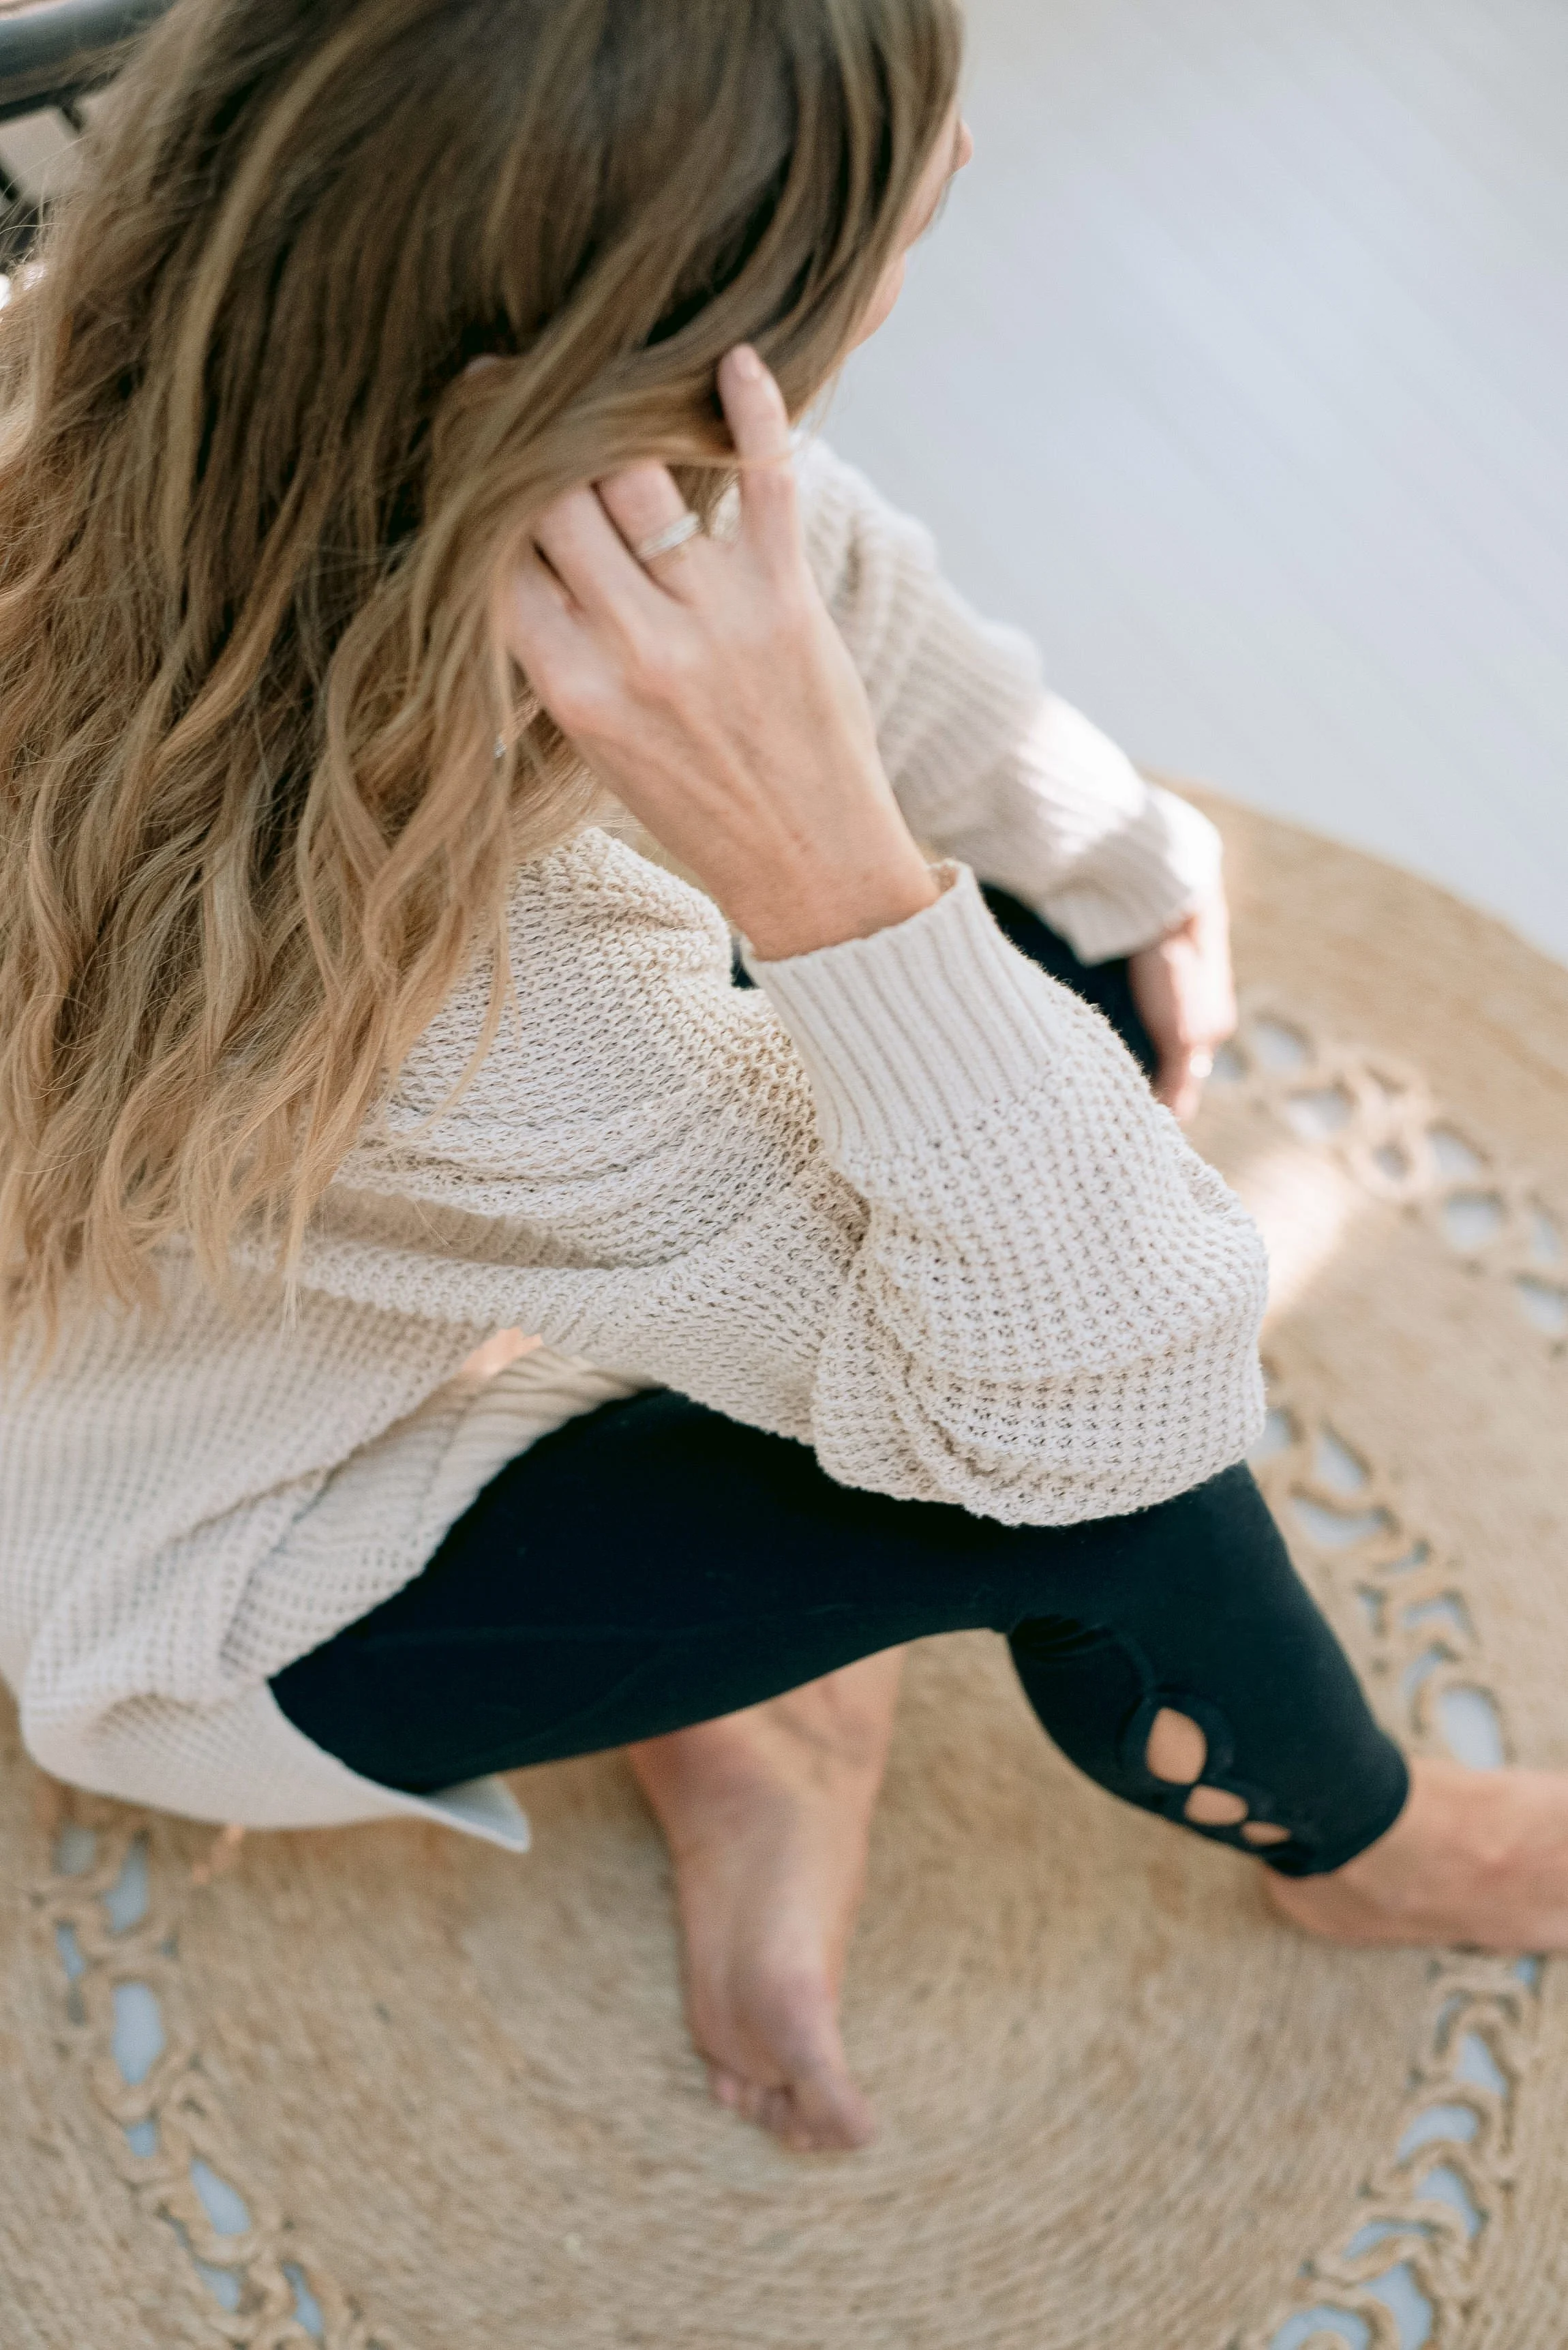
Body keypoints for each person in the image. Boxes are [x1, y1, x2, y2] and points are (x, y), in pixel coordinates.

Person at [3, 0, 1567, 2163]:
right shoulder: (486, 984)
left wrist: (1110, 848)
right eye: (902, 185)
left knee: (1055, 954)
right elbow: (1120, 1405)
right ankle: (1362, 1847)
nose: (939, 186)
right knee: (1091, 1458)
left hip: (272, 1248)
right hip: (241, 1572)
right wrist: (833, 871)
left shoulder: (194, 318)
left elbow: (816, 550)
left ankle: (752, 1697)